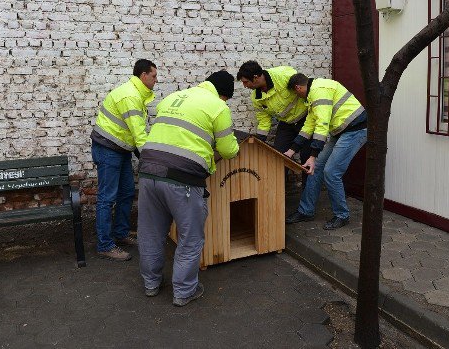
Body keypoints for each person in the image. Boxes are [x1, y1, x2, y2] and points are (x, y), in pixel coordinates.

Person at [137, 70, 239, 306]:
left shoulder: (173, 97)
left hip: (148, 170)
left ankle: (151, 284)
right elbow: (228, 150)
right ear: (224, 95)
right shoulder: (218, 106)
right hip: (182, 178)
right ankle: (184, 291)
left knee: (150, 233)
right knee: (190, 238)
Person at [91, 59, 158, 261]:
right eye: (154, 76)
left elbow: (136, 132)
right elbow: (139, 133)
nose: (156, 80)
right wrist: (152, 159)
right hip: (108, 149)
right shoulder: (130, 96)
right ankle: (105, 245)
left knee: (127, 191)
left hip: (119, 149)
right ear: (143, 76)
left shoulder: (136, 94)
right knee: (107, 197)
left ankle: (120, 234)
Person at [284, 73, 367, 230]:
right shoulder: (312, 95)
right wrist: (291, 150)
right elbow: (309, 125)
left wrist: (313, 155)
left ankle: (342, 215)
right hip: (341, 130)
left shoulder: (319, 91)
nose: (297, 96)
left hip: (356, 130)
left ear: (298, 88)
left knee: (331, 172)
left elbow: (322, 125)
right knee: (315, 169)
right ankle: (306, 211)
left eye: (296, 93)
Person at [236, 61, 311, 162]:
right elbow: (264, 121)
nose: (245, 86)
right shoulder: (256, 98)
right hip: (286, 123)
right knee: (279, 157)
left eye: (245, 82)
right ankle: (282, 178)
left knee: (306, 157)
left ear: (255, 77)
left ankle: (308, 178)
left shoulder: (283, 76)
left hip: (305, 120)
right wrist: (259, 142)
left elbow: (306, 87)